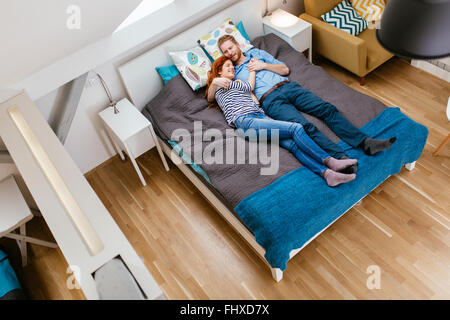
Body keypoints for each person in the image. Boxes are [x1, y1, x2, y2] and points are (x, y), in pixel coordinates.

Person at [206, 35, 396, 174]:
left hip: (289, 87)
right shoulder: (229, 72)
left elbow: (285, 69)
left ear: (238, 45)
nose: (229, 53)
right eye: (225, 52)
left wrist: (263, 66)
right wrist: (215, 82)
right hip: (270, 100)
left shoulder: (257, 53)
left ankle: (365, 142)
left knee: (327, 109)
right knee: (304, 126)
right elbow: (212, 95)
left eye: (231, 48)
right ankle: (340, 157)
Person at [206, 55, 358, 187]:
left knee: (292, 145)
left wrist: (251, 70)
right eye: (227, 66)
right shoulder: (220, 85)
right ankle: (330, 161)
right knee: (296, 128)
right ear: (219, 70)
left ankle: (327, 175)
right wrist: (215, 82)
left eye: (232, 66)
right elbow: (210, 97)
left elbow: (249, 87)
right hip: (245, 121)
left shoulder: (237, 82)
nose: (232, 68)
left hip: (258, 118)